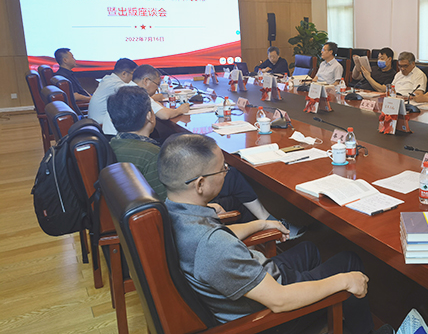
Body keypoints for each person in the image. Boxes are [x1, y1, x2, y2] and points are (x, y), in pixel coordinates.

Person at [159, 133, 391, 334]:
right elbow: (280, 301)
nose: (226, 173)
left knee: (309, 249)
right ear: (200, 184)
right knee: (349, 264)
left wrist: (262, 224)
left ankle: (331, 314)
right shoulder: (212, 246)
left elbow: (222, 234)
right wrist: (344, 281)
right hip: (267, 315)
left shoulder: (173, 211)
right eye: (222, 169)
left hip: (255, 281)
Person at [107, 86, 280, 225]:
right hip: (182, 216)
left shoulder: (113, 143)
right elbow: (171, 204)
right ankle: (266, 224)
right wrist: (210, 206)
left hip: (136, 213)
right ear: (149, 116)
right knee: (231, 175)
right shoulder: (151, 155)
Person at [88, 58, 138, 136]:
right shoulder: (114, 83)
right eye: (133, 75)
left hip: (95, 122)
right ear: (124, 74)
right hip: (101, 125)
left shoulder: (109, 79)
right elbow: (135, 94)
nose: (134, 79)